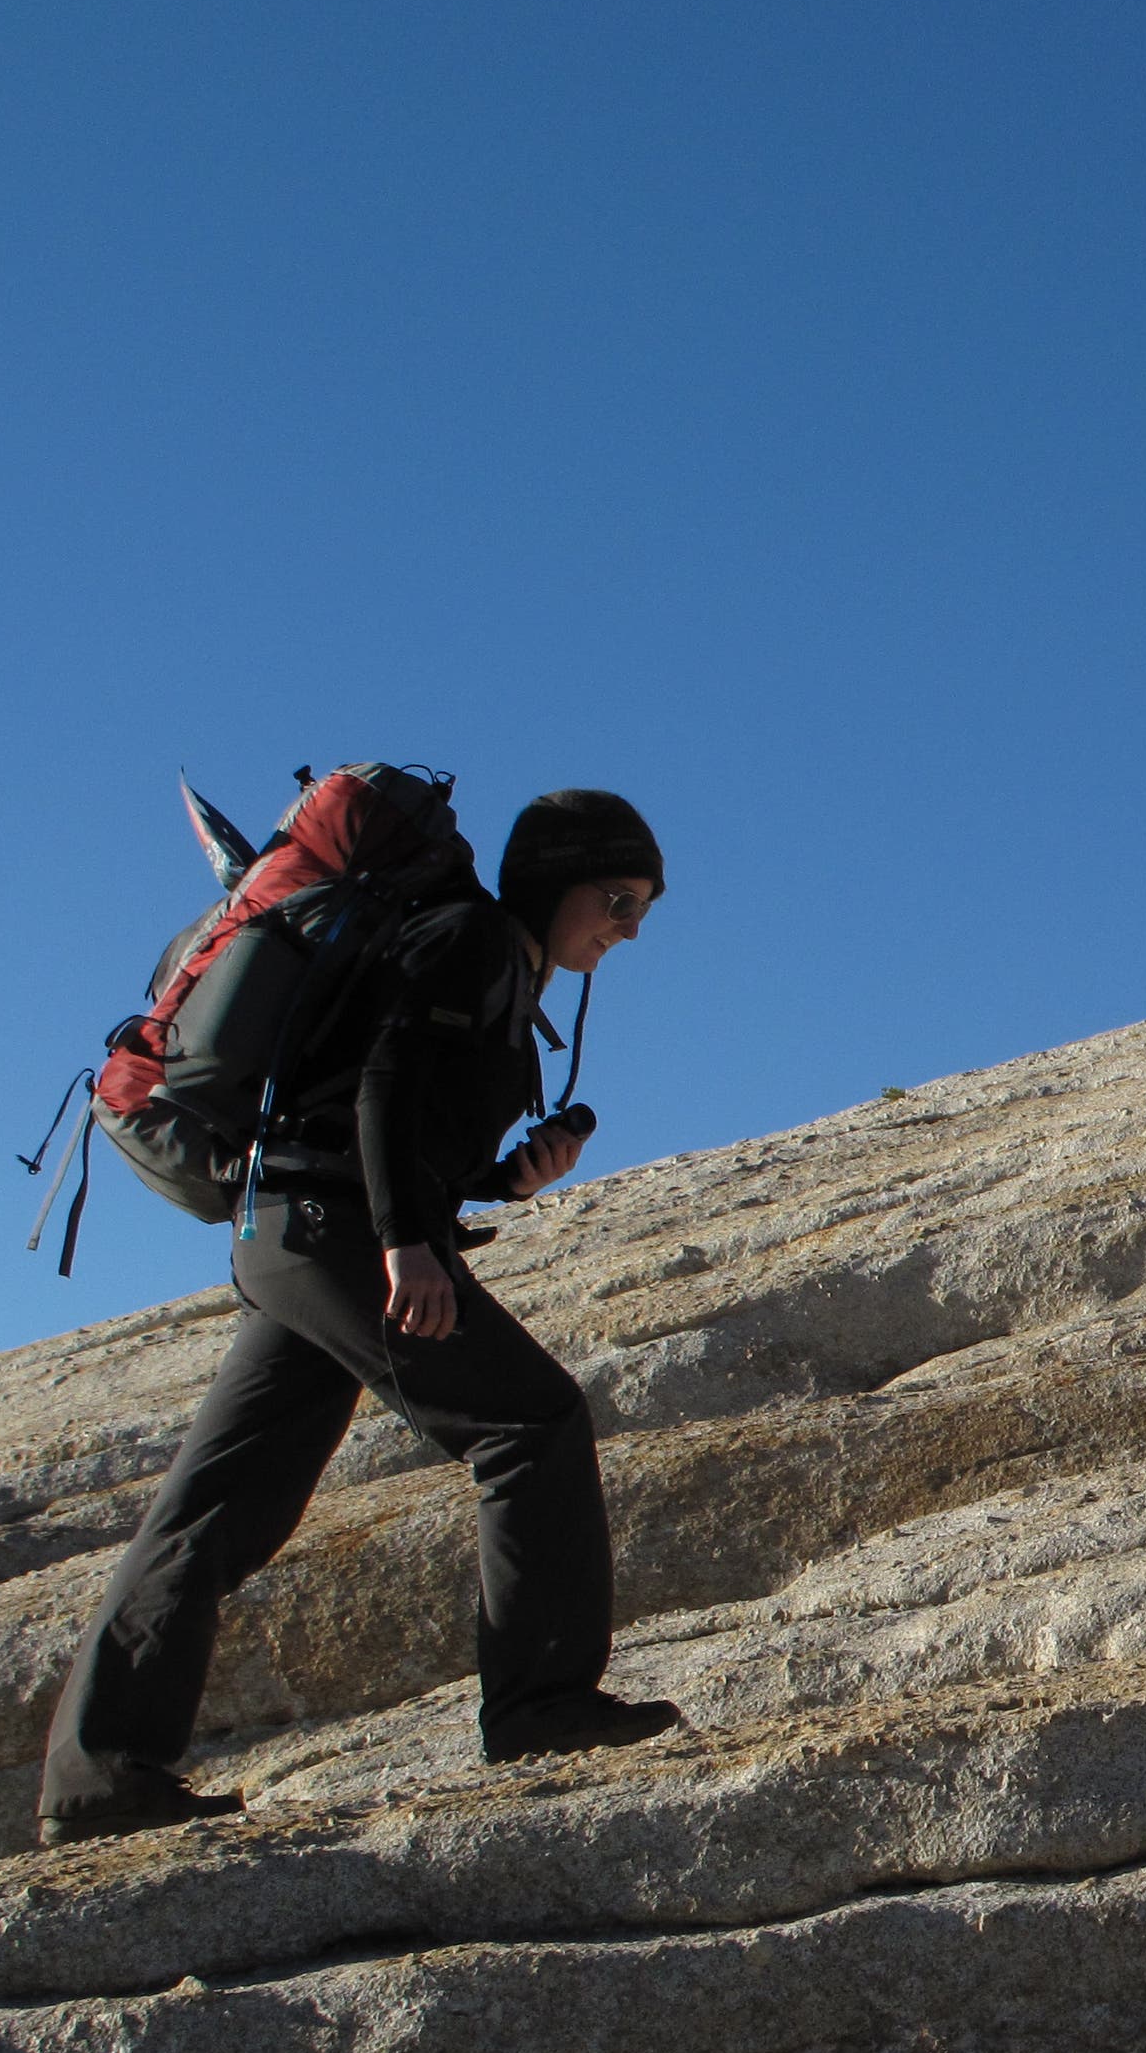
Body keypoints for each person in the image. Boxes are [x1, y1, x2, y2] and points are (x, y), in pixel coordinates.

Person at [34, 788, 685, 1841]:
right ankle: (541, 1704)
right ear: (557, 878)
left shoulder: (491, 965)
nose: (628, 928)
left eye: (641, 909)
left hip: (289, 1234)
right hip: (334, 1233)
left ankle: (98, 1779)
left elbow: (401, 1116)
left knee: (214, 1511)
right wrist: (405, 1245)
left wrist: (504, 1182)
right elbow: (384, 1082)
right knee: (531, 1424)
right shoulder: (475, 937)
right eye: (616, 898)